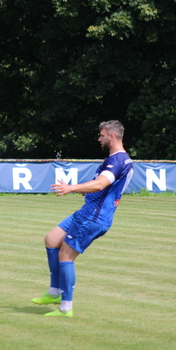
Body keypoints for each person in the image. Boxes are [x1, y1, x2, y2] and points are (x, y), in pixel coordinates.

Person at [32, 120, 134, 317]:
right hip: (87, 212)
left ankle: (65, 307)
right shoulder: (121, 160)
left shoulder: (117, 160)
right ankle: (54, 292)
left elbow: (100, 185)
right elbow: (101, 187)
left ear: (111, 136)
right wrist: (84, 190)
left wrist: (71, 188)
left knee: (65, 255)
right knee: (51, 239)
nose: (99, 138)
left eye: (102, 135)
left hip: (93, 217)